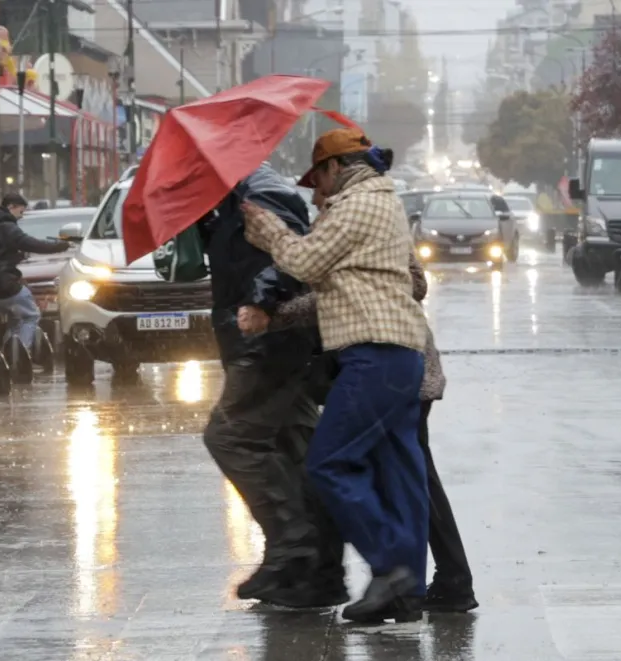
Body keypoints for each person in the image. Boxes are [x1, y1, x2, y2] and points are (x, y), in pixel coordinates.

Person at [240, 128, 430, 623]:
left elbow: (304, 260)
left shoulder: (359, 203)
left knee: (329, 461)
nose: (315, 193)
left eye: (318, 180)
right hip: (395, 352)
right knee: (402, 473)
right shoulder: (378, 201)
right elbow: (335, 286)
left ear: (335, 167)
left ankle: (391, 567)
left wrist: (266, 230)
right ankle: (406, 592)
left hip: (376, 351)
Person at [250, 246, 480, 613]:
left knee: (412, 478)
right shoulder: (334, 228)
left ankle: (437, 582)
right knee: (407, 476)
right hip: (377, 369)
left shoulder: (363, 221)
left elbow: (414, 283)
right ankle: (433, 583)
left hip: (398, 366)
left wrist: (280, 313)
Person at [198, 164, 346, 609]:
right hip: (265, 342)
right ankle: (317, 572)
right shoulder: (227, 201)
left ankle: (292, 546)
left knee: (230, 435)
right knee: (292, 446)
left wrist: (261, 302)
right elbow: (241, 260)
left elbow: (287, 260)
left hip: (269, 344)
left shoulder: (260, 192)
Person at [0, 192, 70, 348]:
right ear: (11, 207)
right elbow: (31, 243)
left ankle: (8, 354)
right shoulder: (7, 227)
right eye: (21, 211)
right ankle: (20, 354)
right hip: (5, 284)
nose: (21, 216)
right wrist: (61, 246)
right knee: (31, 315)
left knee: (17, 319)